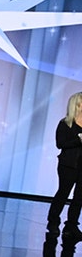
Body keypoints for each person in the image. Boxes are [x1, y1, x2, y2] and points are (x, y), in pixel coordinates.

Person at [49, 92, 82, 238]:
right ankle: (53, 222)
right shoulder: (65, 123)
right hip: (68, 165)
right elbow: (60, 144)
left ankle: (71, 226)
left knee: (79, 197)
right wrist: (78, 140)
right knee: (63, 193)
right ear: (77, 105)